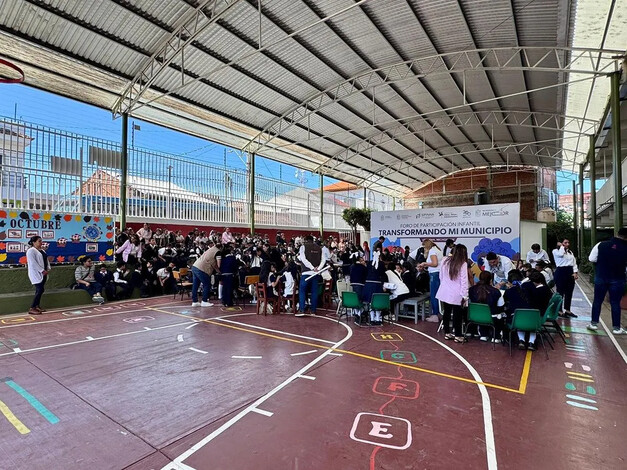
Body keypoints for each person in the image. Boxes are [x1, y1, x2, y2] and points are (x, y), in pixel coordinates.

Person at [587, 229, 627, 335]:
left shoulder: (601, 244)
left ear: (617, 234)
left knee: (597, 301)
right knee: (615, 303)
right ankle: (616, 328)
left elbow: (592, 259)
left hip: (601, 277)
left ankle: (594, 323)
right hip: (618, 279)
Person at [435, 244, 469, 343]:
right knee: (457, 315)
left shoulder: (445, 260)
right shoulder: (463, 263)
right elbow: (464, 281)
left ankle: (447, 333)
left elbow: (440, 276)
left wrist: (444, 285)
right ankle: (458, 335)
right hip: (457, 293)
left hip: (445, 290)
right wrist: (465, 295)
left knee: (446, 312)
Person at [468, 271, 504, 342]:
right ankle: (496, 336)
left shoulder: (471, 290)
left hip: (474, 316)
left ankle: (483, 334)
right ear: (491, 280)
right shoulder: (496, 291)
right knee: (499, 315)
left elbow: (469, 302)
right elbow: (501, 306)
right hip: (491, 317)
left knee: (484, 313)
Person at [296, 235, 327, 316]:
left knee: (302, 291)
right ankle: (313, 310)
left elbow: (303, 259)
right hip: (315, 274)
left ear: (306, 240)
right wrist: (318, 269)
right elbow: (323, 260)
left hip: (306, 273)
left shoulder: (303, 247)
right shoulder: (319, 248)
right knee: (314, 292)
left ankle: (302, 310)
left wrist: (312, 268)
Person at [552, 239, 578, 318]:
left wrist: (575, 272)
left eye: (568, 242)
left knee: (569, 291)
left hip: (569, 271)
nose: (567, 244)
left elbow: (574, 263)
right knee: (560, 292)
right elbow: (560, 254)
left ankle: (568, 310)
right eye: (565, 243)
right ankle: (559, 310)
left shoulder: (570, 252)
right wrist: (561, 247)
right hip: (561, 271)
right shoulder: (556, 251)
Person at [191, 242, 221, 307]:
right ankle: (204, 301)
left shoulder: (210, 249)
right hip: (202, 269)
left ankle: (194, 301)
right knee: (207, 284)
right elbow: (218, 265)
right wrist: (219, 271)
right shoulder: (218, 252)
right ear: (221, 248)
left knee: (195, 285)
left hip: (195, 266)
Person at [26, 236, 50, 315]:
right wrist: (41, 270)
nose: (41, 242)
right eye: (39, 241)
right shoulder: (31, 251)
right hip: (36, 273)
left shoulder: (42, 250)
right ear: (34, 242)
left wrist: (48, 268)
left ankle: (37, 306)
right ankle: (32, 307)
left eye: (41, 241)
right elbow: (33, 263)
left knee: (41, 290)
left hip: (44, 272)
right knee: (39, 289)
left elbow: (46, 260)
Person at [419, 239, 442, 323]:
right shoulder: (437, 250)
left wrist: (425, 264)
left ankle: (435, 314)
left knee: (434, 294)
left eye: (424, 246)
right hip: (438, 274)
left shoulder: (432, 251)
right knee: (437, 294)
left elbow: (435, 263)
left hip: (434, 275)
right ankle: (438, 313)